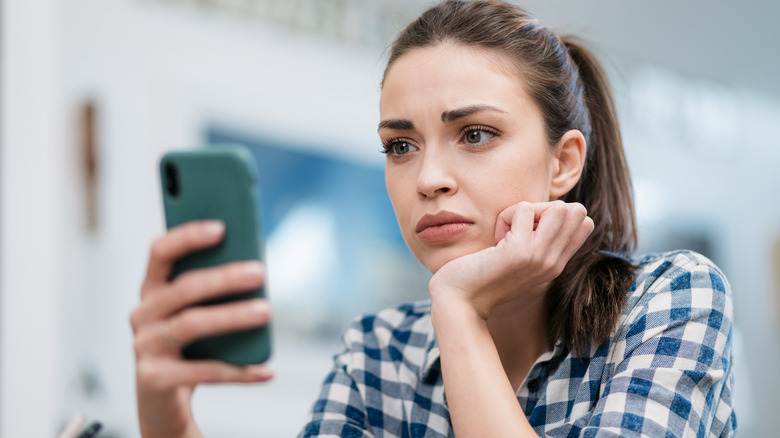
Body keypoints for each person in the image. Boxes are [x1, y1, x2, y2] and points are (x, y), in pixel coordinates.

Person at [130, 1, 736, 437]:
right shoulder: (378, 352)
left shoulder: (673, 298)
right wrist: (168, 418)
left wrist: (459, 308)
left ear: (563, 162)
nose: (426, 179)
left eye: (474, 134)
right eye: (400, 146)